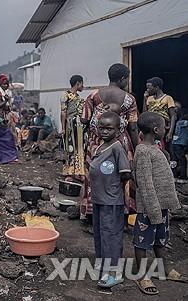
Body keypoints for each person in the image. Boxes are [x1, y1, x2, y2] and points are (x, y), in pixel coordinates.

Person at [133, 112, 184, 295]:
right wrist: (153, 209)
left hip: (161, 206)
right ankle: (142, 275)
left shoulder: (155, 148)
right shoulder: (143, 151)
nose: (166, 129)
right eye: (164, 127)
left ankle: (162, 270)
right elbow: (145, 183)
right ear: (156, 130)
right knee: (142, 241)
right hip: (149, 207)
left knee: (161, 240)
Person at [80, 63, 139, 218]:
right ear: (122, 78)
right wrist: (136, 148)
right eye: (127, 79)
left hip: (96, 144)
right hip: (120, 143)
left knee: (95, 174)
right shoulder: (129, 99)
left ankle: (92, 210)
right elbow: (133, 127)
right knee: (120, 175)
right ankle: (122, 210)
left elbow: (84, 120)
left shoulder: (93, 95)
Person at [89, 112, 131, 288]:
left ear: (118, 129)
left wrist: (112, 187)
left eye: (109, 128)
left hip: (111, 201)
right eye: (101, 128)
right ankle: (102, 264)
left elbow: (125, 173)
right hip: (99, 199)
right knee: (100, 233)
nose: (104, 131)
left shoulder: (117, 148)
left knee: (111, 235)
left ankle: (114, 272)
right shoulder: (100, 147)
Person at [61, 75, 85, 180]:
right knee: (70, 147)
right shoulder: (65, 95)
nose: (83, 86)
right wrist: (63, 128)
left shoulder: (79, 98)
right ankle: (69, 173)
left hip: (79, 126)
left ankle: (78, 172)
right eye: (82, 83)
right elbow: (63, 113)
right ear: (78, 83)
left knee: (79, 148)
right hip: (70, 125)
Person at [0, 74, 18, 164]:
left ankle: (6, 158)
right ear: (0, 84)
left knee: (6, 138)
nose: (6, 85)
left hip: (3, 118)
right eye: (4, 84)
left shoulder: (5, 93)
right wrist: (5, 101)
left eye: (7, 84)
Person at [143, 77, 177, 144]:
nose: (147, 90)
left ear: (157, 87)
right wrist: (144, 99)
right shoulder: (149, 99)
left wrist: (170, 132)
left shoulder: (168, 98)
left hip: (164, 128)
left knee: (163, 148)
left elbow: (173, 116)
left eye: (149, 87)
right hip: (151, 128)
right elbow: (145, 113)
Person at [172, 112, 188, 181]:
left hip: (176, 143)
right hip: (179, 144)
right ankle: (182, 176)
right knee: (182, 161)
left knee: (176, 160)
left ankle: (175, 175)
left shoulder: (178, 122)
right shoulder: (183, 122)